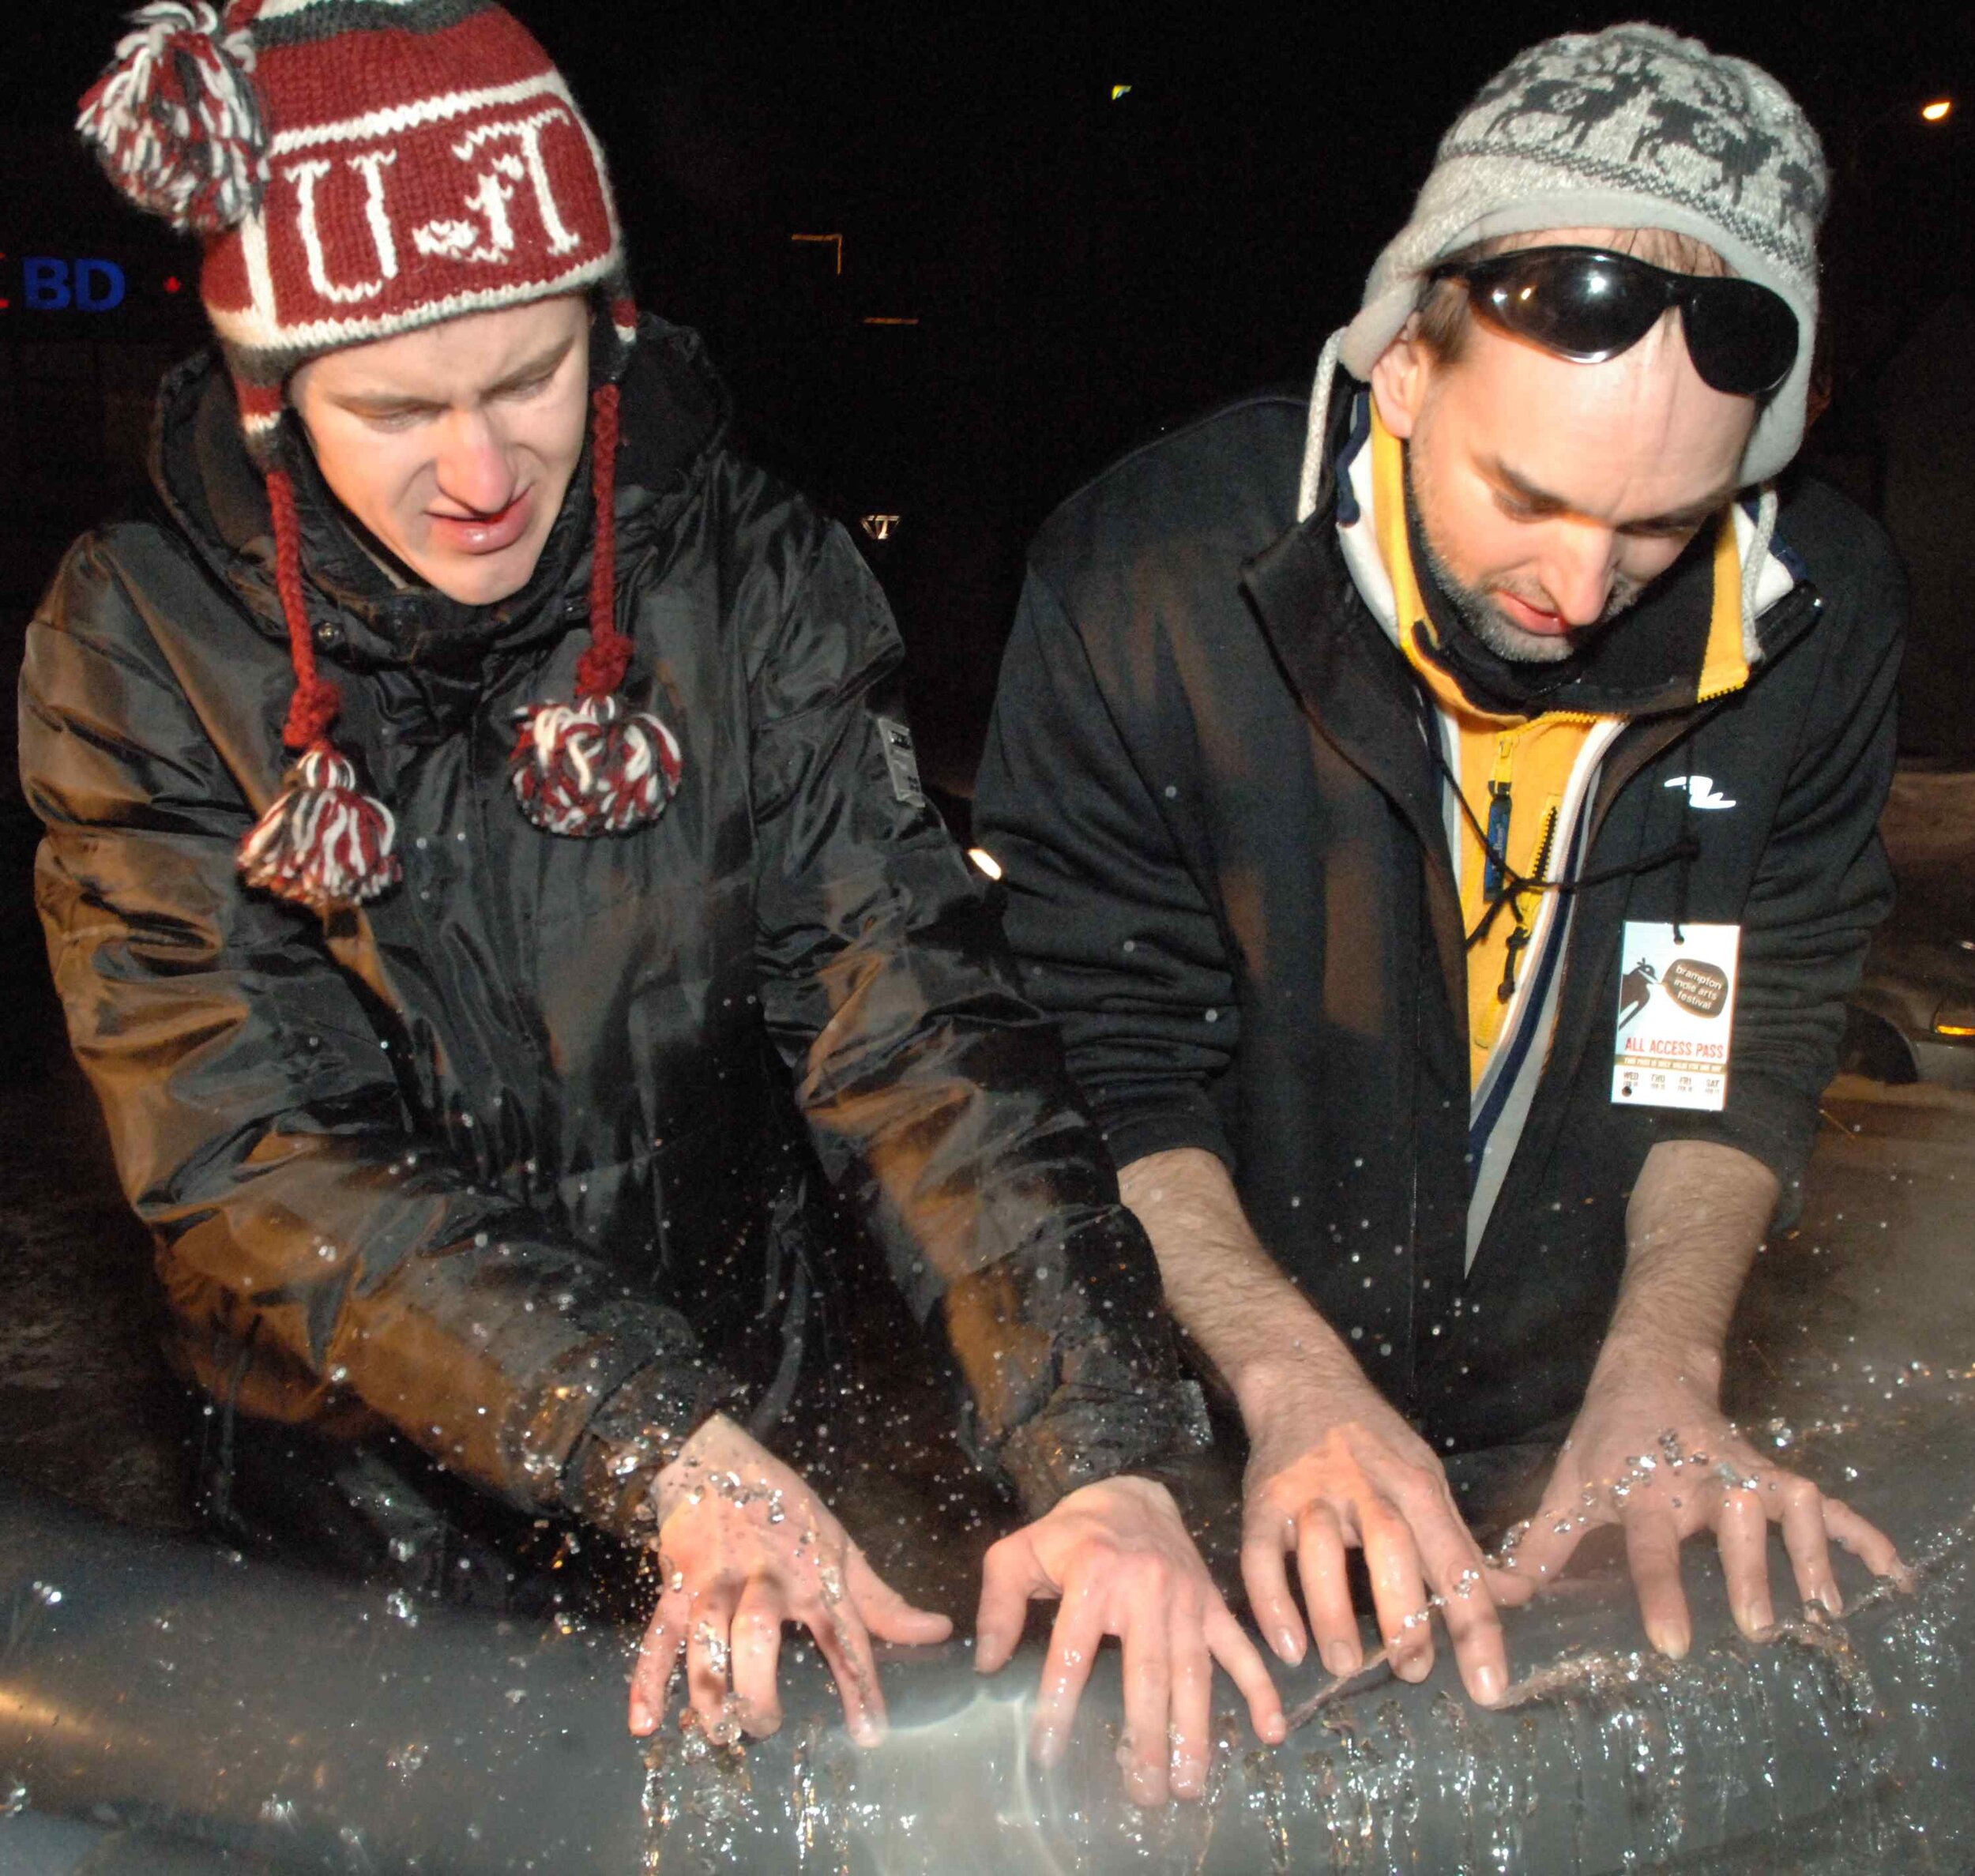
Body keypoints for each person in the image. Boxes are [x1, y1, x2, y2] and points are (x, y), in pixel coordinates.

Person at [21, 0, 1285, 1803]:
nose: (478, 474)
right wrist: (639, 1438)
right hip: (352, 1511)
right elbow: (245, 1151)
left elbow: (910, 1020)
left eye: (528, 381)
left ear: (603, 337)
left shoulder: (754, 574)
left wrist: (1096, 1445)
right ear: (271, 392)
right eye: (393, 407)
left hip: (735, 1430)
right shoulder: (135, 639)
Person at [974, 22, 1910, 1709]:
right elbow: (1095, 1064)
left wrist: (1663, 1367)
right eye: (1525, 494)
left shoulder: (1818, 615)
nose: (1579, 581)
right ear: (1401, 362)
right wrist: (1281, 1377)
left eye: (1658, 527)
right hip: (1205, 1405)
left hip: (1577, 1414)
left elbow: (1735, 1033)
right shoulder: (1150, 574)